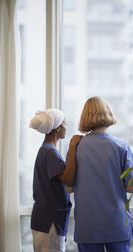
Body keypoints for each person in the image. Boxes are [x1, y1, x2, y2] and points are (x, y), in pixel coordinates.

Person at [73, 96, 133, 252]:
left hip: (87, 226)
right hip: (116, 224)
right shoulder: (121, 146)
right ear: (108, 113)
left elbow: (68, 187)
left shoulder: (76, 148)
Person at [29, 108, 82, 252]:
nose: (66, 128)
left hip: (45, 221)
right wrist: (72, 147)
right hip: (49, 223)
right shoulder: (51, 153)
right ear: (57, 128)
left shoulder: (46, 150)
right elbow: (67, 180)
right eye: (64, 124)